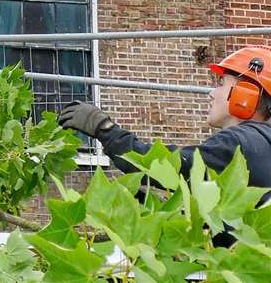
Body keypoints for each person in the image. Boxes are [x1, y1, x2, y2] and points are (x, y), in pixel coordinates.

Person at [57, 45, 271, 204]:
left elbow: (170, 166)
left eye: (221, 84)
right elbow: (220, 218)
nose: (212, 93)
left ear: (245, 96)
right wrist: (154, 207)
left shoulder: (240, 144)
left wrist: (105, 129)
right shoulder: (260, 148)